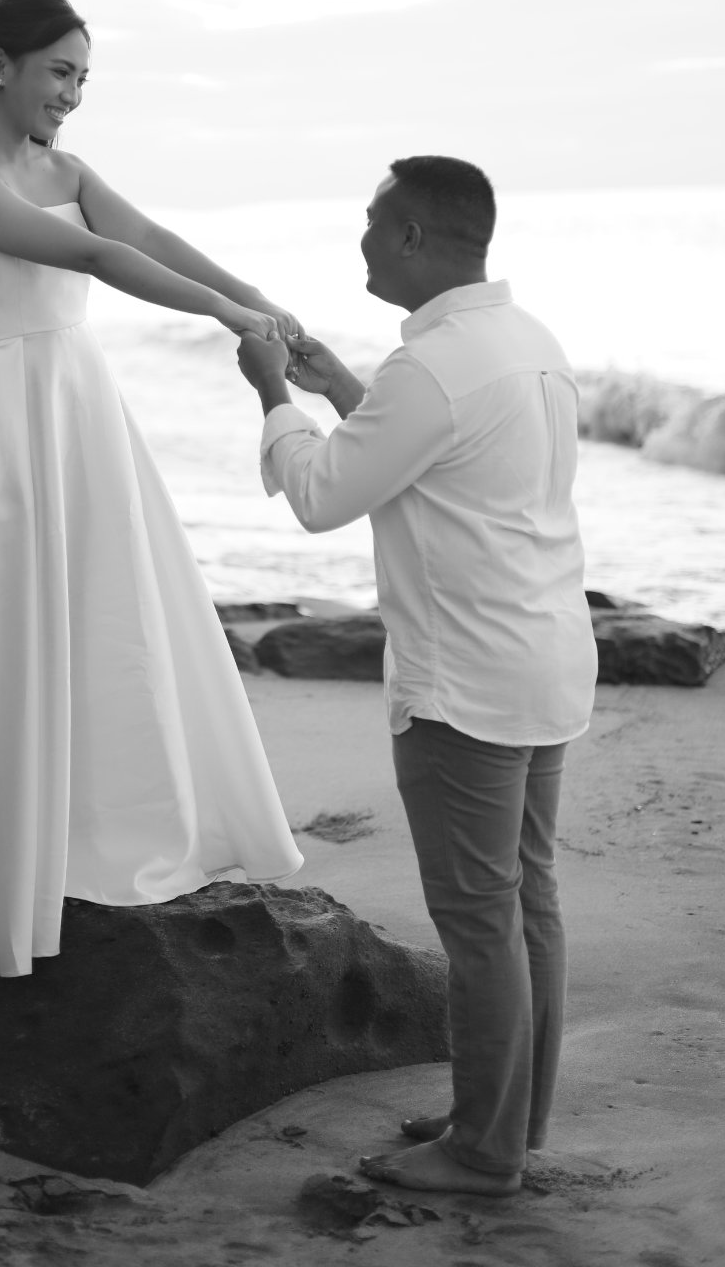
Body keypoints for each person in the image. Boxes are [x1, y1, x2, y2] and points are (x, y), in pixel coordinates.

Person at [0, 0, 304, 978]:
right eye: (59, 72)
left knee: (109, 615)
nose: (73, 94)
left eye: (83, 77)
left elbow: (148, 238)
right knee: (2, 633)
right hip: (5, 419)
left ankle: (100, 838)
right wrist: (223, 316)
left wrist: (257, 298)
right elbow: (92, 253)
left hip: (80, 408)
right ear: (0, 66)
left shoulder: (65, 168)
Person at [235, 155, 597, 1197]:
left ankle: (483, 1152)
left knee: (482, 920)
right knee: (527, 905)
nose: (359, 237)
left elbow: (321, 494)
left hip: (466, 685)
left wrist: (272, 395)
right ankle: (511, 1120)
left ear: (410, 237)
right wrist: (341, 388)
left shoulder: (433, 367)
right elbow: (434, 457)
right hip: (543, 661)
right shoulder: (528, 342)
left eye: (371, 219)